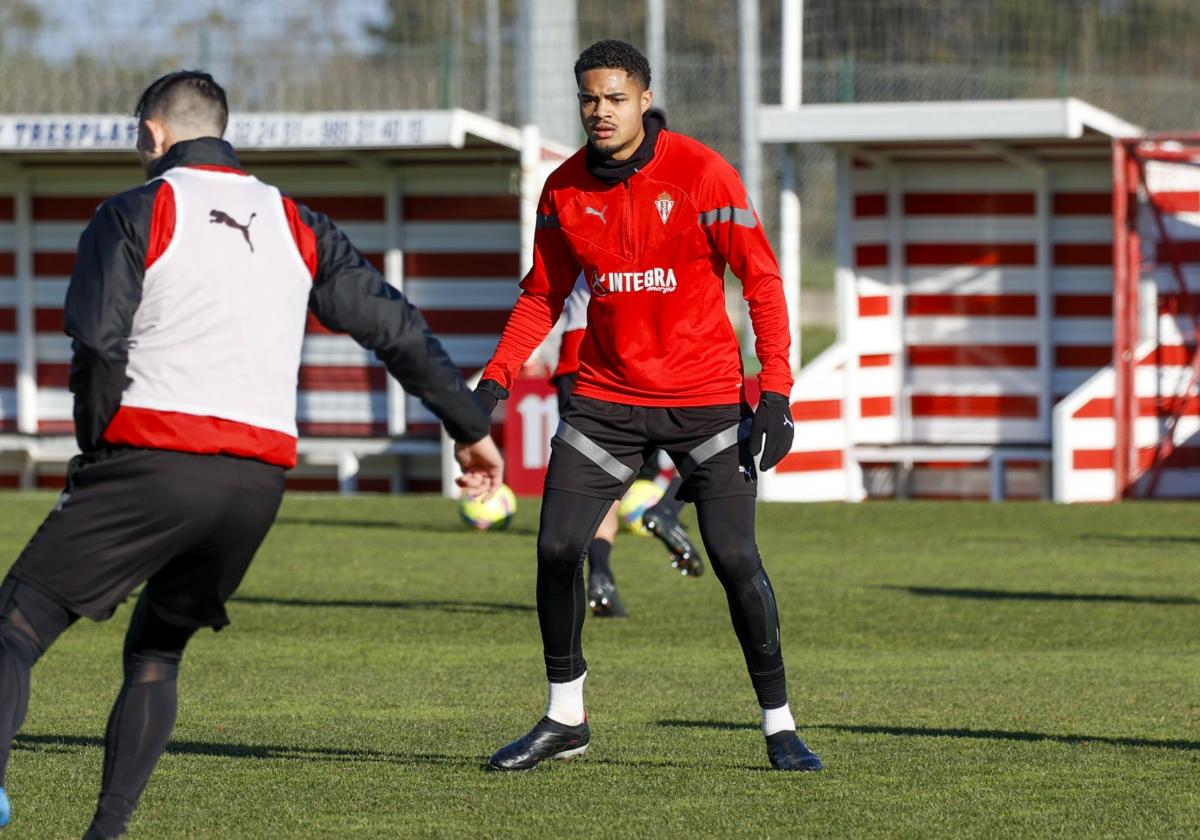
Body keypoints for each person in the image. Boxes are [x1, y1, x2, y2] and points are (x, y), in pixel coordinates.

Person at [0, 71, 502, 838]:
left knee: (16, 629)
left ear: (153, 134)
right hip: (258, 484)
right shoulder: (296, 222)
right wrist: (468, 425)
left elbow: (98, 345)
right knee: (156, 655)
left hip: (154, 460)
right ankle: (105, 832)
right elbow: (394, 327)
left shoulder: (135, 210)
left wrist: (97, 446)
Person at [473, 40, 821, 772]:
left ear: (643, 97)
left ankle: (780, 725)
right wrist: (497, 377)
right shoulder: (563, 188)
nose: (601, 112)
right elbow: (542, 293)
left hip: (706, 401)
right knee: (556, 549)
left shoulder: (702, 173)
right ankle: (565, 717)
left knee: (734, 559)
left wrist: (778, 391)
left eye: (615, 98)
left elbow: (760, 280)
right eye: (589, 99)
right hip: (603, 402)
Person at [551, 275, 704, 619]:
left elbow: (542, 294)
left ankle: (601, 574)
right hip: (640, 352)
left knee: (604, 484)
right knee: (702, 442)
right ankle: (666, 508)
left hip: (576, 360)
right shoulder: (645, 234)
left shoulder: (576, 226)